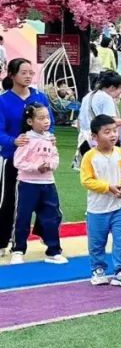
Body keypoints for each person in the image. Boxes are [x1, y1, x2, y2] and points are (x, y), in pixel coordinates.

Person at [0, 59, 54, 254]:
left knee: (46, 198)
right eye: (23, 72)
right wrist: (13, 141)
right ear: (12, 75)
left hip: (40, 158)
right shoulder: (3, 100)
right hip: (14, 158)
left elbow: (50, 122)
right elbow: (0, 131)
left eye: (31, 72)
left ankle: (47, 237)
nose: (28, 76)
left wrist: (50, 137)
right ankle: (3, 241)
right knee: (9, 200)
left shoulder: (39, 97)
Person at [81, 115, 121, 286]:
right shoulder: (90, 156)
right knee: (97, 242)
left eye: (114, 131)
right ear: (95, 136)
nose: (113, 135)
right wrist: (108, 187)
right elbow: (86, 180)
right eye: (107, 132)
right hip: (97, 208)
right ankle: (98, 269)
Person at [12, 104, 64, 264]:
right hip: (28, 184)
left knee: (52, 217)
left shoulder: (50, 138)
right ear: (30, 121)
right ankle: (18, 250)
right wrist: (36, 167)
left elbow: (55, 156)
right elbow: (18, 161)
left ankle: (54, 250)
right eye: (41, 118)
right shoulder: (26, 139)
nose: (46, 121)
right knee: (23, 217)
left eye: (47, 117)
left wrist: (51, 165)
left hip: (48, 183)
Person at [76, 71, 121, 157]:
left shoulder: (87, 96)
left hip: (84, 140)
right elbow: (111, 122)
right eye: (120, 92)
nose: (119, 95)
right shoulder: (106, 98)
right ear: (112, 87)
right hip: (100, 140)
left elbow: (79, 122)